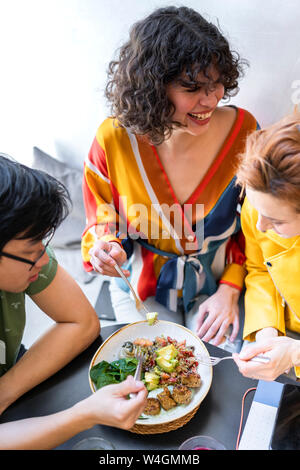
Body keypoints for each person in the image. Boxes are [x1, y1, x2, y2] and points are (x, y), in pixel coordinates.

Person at [82, 6, 259, 348]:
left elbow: (256, 225)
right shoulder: (114, 140)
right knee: (154, 379)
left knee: (223, 373)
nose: (210, 100)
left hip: (218, 285)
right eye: (191, 87)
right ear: (153, 87)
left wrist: (231, 288)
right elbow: (102, 216)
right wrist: (106, 249)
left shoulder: (245, 132)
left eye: (217, 83)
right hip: (141, 287)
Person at [0, 155, 147, 449]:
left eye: (44, 242)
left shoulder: (24, 251)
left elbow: (81, 322)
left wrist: (4, 392)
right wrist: (84, 414)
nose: (44, 259)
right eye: (32, 250)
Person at [232, 112, 300, 381]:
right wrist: (267, 332)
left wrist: (295, 353)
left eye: (276, 220)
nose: (259, 225)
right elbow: (260, 270)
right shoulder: (259, 206)